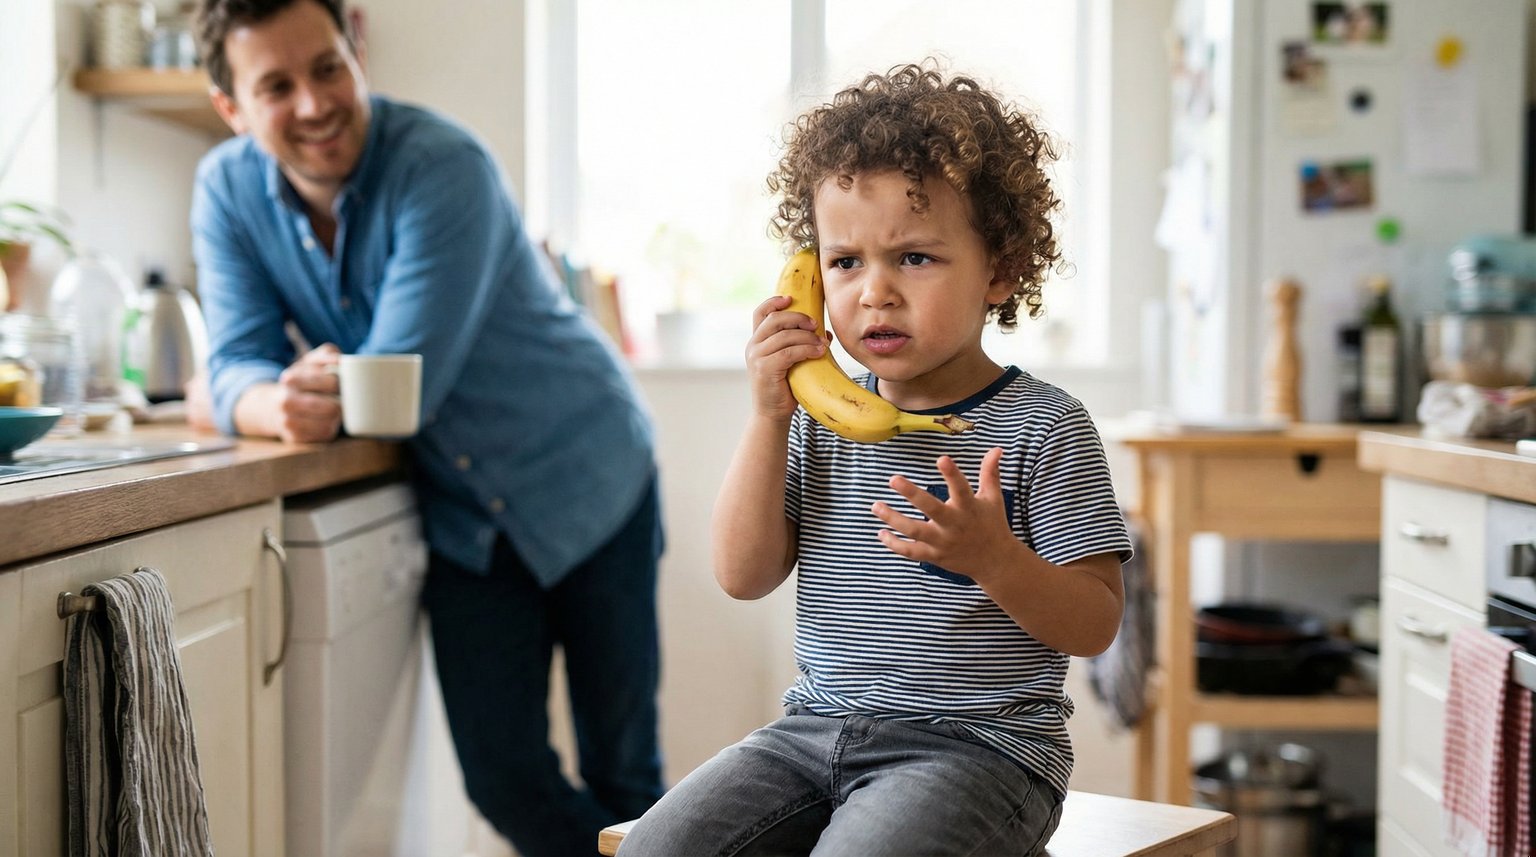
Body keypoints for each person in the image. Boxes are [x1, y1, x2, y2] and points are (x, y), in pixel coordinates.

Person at [620, 62, 1131, 857]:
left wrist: (994, 558)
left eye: (915, 258)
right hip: (811, 730)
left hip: (981, 753)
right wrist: (767, 413)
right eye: (846, 261)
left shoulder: (1046, 426)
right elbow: (742, 572)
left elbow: (1097, 622)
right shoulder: (817, 419)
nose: (874, 292)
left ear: (1000, 268)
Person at [188, 1, 665, 854]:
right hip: (466, 519)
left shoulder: (442, 165)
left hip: (587, 471)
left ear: (357, 46)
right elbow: (238, 365)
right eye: (275, 85)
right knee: (504, 776)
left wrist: (234, 391)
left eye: (327, 66)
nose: (312, 103)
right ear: (231, 107)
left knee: (625, 773)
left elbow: (391, 388)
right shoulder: (224, 191)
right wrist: (264, 400)